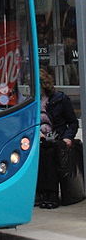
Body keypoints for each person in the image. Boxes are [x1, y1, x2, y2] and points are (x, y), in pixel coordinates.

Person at [37, 68, 79, 208]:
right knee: (39, 155)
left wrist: (68, 137)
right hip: (40, 138)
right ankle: (41, 194)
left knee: (48, 156)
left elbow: (73, 122)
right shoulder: (33, 100)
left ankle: (51, 194)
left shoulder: (60, 99)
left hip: (56, 139)